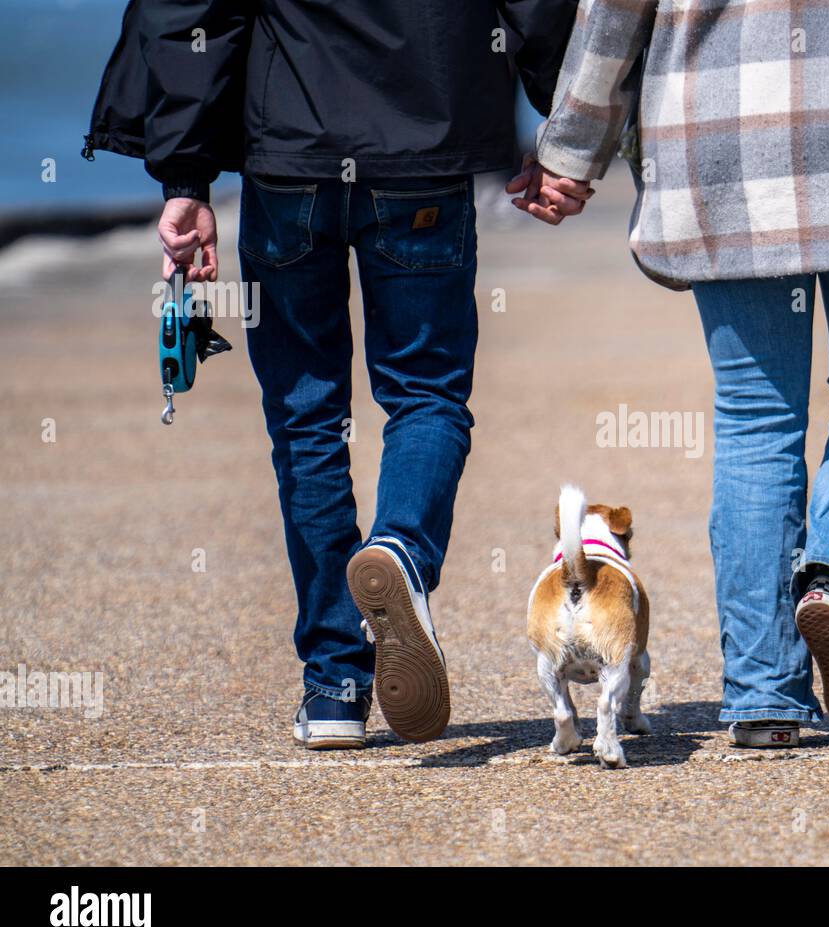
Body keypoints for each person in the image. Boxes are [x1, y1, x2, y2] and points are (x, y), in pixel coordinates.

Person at [87, 1, 578, 749]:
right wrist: (564, 127)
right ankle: (403, 553)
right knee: (426, 395)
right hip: (425, 149)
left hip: (290, 157)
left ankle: (334, 688)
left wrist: (184, 177)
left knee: (305, 419)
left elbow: (191, 11)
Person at [509, 0, 829, 747]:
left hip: (723, 140)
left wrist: (569, 151)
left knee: (757, 415)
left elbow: (612, 13)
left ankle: (763, 694)